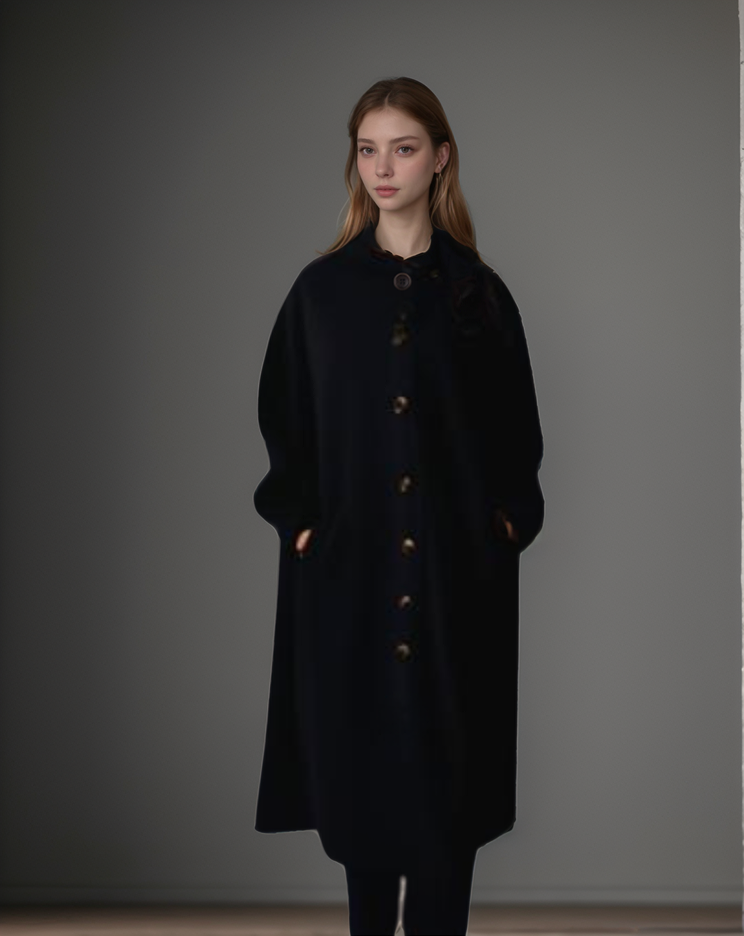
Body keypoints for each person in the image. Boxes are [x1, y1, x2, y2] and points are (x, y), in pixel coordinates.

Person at [253, 76, 545, 935]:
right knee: (364, 794)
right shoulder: (321, 294)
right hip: (349, 579)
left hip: (456, 585)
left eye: (404, 148)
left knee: (449, 798)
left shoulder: (477, 295)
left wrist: (505, 524)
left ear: (440, 158)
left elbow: (516, 433)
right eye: (368, 150)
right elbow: (285, 418)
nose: (383, 168)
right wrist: (303, 523)